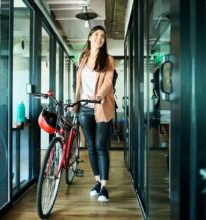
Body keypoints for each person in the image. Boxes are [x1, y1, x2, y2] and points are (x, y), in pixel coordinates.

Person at [74, 25, 115, 202]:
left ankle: (104, 187)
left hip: (101, 106)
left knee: (100, 145)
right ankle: (97, 181)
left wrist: (99, 96)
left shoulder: (108, 59)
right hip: (84, 107)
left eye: (103, 36)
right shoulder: (82, 58)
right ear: (90, 37)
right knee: (90, 145)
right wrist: (74, 101)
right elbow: (79, 84)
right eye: (96, 34)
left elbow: (108, 82)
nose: (100, 38)